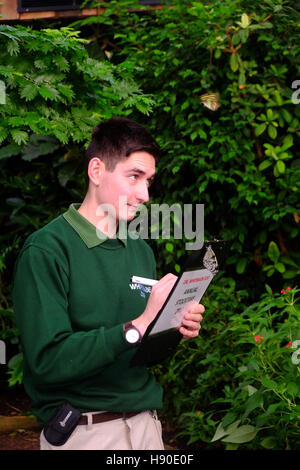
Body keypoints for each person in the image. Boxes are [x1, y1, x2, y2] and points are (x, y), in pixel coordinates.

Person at [12, 117, 204, 450]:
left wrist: (170, 324)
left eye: (149, 181)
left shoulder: (139, 249)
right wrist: (139, 325)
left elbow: (137, 352)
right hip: (86, 432)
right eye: (134, 177)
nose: (145, 194)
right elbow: (48, 361)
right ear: (97, 171)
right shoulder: (47, 250)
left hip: (146, 427)